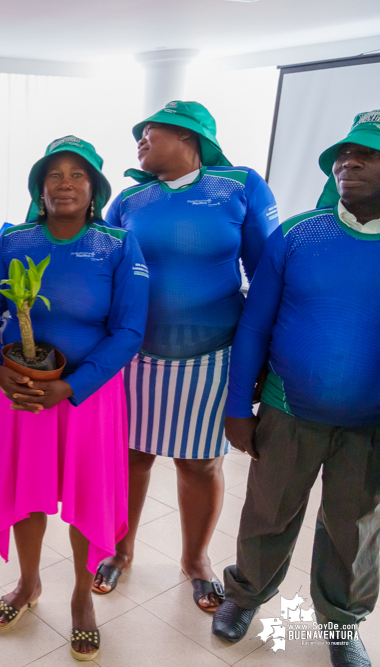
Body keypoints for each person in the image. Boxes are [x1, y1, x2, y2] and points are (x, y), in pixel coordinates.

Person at [212, 110, 380, 667]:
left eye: (367, 155)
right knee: (268, 512)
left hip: (372, 426)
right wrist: (239, 406)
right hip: (288, 411)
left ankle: (342, 624)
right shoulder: (298, 234)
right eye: (343, 155)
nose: (348, 162)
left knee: (354, 533)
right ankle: (245, 596)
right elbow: (255, 324)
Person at [96, 101, 278, 612]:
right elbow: (104, 270)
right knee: (130, 457)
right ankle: (120, 549)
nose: (140, 141)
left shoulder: (239, 185)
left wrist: (262, 358)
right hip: (134, 355)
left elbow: (266, 275)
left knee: (198, 463)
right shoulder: (130, 199)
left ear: (189, 138)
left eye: (150, 132)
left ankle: (195, 560)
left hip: (212, 354)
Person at [0, 136, 148, 660]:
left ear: (94, 188)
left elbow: (130, 331)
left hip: (87, 399)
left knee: (86, 499)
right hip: (23, 392)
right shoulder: (13, 240)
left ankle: (80, 599)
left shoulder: (119, 244)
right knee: (28, 494)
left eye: (78, 174)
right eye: (54, 175)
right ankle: (28, 585)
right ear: (39, 189)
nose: (65, 183)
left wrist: (71, 388)